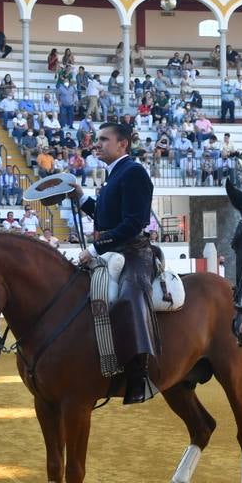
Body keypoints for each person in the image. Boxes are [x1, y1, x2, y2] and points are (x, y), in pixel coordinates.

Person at [70, 121, 158, 405]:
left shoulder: (134, 173)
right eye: (98, 139)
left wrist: (95, 248)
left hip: (134, 251)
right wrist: (81, 197)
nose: (98, 144)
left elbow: (133, 224)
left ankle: (139, 373)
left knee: (131, 296)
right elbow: (105, 216)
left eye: (104, 139)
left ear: (123, 144)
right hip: (114, 248)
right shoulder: (114, 175)